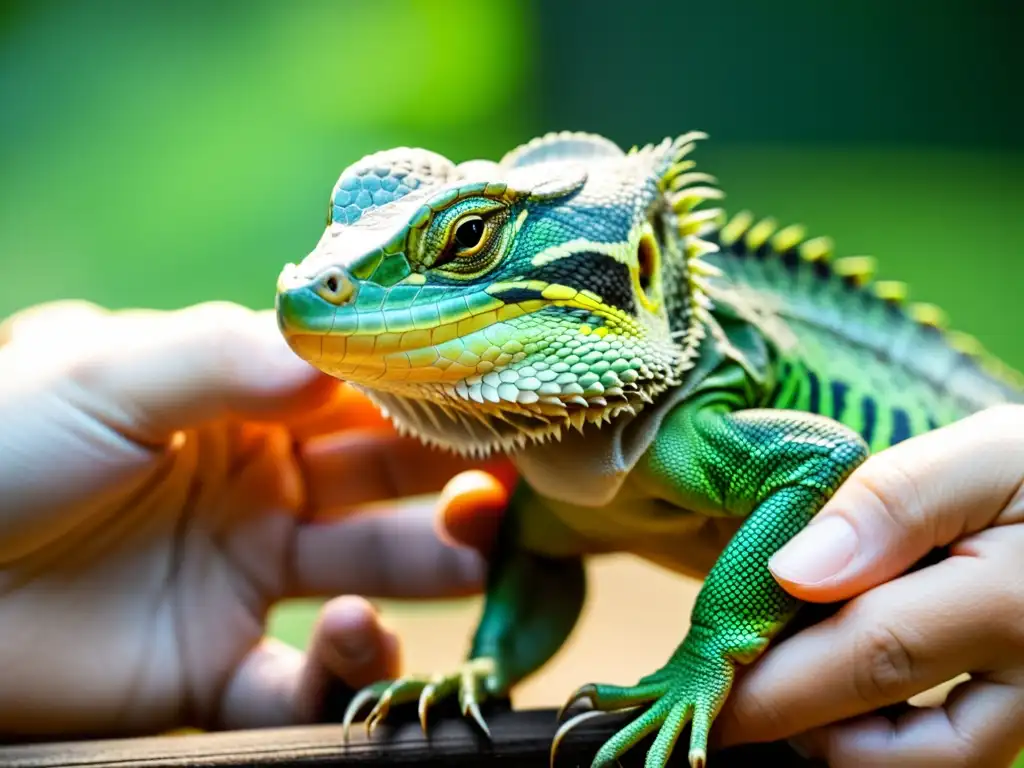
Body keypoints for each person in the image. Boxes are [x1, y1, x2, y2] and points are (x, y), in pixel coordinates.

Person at [0, 300, 1020, 767]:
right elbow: (540, 549)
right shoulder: (545, 476)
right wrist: (488, 663)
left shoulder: (689, 430)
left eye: (464, 251)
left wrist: (713, 645)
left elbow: (819, 460)